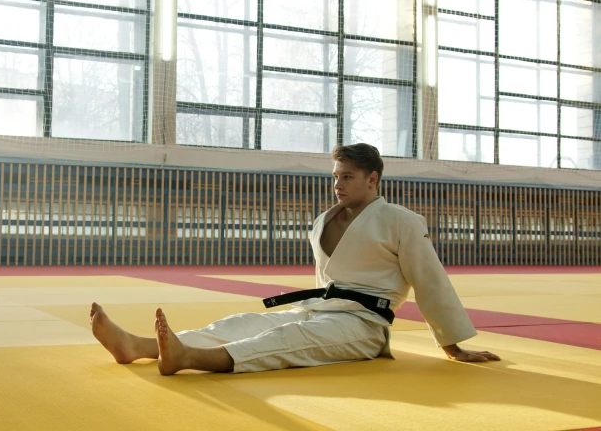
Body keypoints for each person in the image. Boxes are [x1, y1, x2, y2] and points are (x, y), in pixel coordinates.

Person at [90, 143, 500, 375]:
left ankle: (190, 358)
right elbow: (326, 280)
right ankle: (138, 346)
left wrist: (452, 345)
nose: (337, 184)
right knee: (241, 323)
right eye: (335, 175)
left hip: (364, 324)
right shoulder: (323, 220)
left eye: (347, 177)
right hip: (315, 308)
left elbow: (431, 281)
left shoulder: (403, 222)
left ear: (373, 179)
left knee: (283, 342)